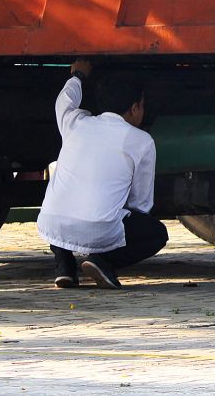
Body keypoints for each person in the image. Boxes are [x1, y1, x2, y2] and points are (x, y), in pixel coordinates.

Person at [36, 59, 167, 289]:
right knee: (157, 233)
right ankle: (103, 262)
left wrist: (78, 75)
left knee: (63, 209)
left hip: (51, 223)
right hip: (100, 229)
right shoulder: (141, 141)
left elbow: (64, 101)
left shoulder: (75, 122)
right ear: (135, 108)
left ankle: (64, 267)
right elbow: (141, 203)